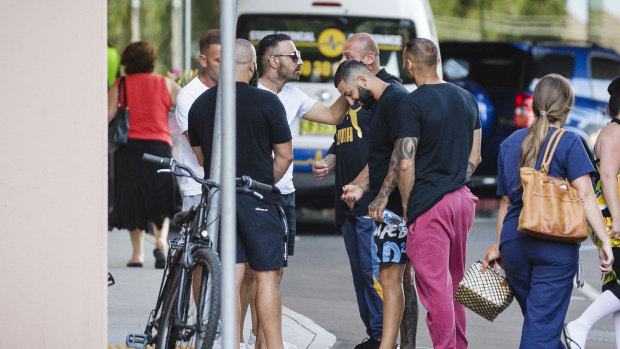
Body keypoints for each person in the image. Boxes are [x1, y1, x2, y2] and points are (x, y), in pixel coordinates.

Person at [483, 73, 614, 349]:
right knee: (541, 328)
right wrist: (604, 240)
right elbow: (587, 195)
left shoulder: (510, 144)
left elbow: (506, 202)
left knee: (541, 323)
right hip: (554, 248)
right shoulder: (569, 143)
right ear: (567, 108)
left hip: (514, 246)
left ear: (534, 106)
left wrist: (498, 246)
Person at [313, 33, 417, 349]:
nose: (340, 61)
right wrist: (329, 162)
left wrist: (362, 186)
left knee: (381, 276)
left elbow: (393, 153)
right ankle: (375, 335)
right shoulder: (352, 92)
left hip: (373, 202)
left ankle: (387, 339)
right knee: (362, 276)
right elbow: (341, 137)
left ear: (367, 61)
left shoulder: (385, 94)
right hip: (348, 200)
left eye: (346, 55)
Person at [188, 38, 293, 349]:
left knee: (230, 279)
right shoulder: (268, 102)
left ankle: (231, 344)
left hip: (219, 200)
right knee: (266, 278)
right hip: (257, 200)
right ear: (252, 67)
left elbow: (202, 158)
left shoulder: (201, 104)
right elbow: (285, 156)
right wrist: (260, 180)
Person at [248, 32, 348, 349]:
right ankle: (238, 340)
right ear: (272, 60)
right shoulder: (248, 93)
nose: (300, 61)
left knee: (274, 275)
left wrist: (353, 77)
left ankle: (261, 342)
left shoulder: (293, 94)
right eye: (294, 56)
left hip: (285, 194)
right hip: (253, 192)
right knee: (249, 274)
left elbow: (333, 116)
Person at [396, 38, 481, 349]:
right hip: (462, 200)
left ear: (409, 64)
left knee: (435, 288)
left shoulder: (412, 103)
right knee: (455, 281)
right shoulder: (466, 98)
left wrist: (408, 207)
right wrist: (456, 179)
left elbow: (405, 164)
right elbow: (476, 155)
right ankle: (458, 345)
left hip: (431, 204)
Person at [333, 59, 409, 349]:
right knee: (385, 277)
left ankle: (392, 342)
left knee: (393, 279)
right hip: (382, 207)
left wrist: (380, 196)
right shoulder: (375, 106)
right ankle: (384, 342)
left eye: (350, 93)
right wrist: (361, 185)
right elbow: (379, 160)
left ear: (363, 79)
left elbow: (400, 156)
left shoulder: (396, 100)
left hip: (395, 209)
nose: (350, 101)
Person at [108, 41, 181, 268]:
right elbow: (189, 105)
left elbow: (107, 114)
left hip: (129, 148)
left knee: (132, 199)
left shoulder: (121, 85)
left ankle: (137, 254)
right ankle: (161, 242)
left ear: (126, 62)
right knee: (161, 196)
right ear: (152, 61)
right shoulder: (165, 83)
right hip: (159, 146)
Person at [565, 77, 620, 349]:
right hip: (614, 221)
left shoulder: (614, 131)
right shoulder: (615, 133)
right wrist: (618, 222)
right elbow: (608, 177)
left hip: (612, 219)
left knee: (617, 287)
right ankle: (581, 324)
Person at [174, 29, 220, 211]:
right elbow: (201, 156)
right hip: (198, 187)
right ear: (203, 60)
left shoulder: (235, 90)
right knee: (197, 239)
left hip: (233, 187)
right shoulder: (188, 96)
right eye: (218, 61)